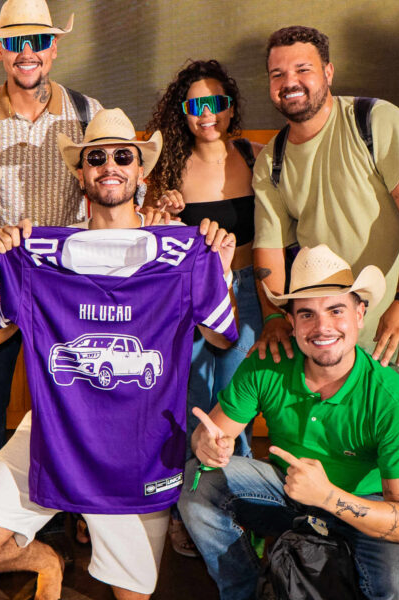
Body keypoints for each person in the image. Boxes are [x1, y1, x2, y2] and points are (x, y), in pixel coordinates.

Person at [0, 108, 238, 600]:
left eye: (123, 156)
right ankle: (47, 560)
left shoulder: (180, 250)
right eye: (96, 158)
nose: (110, 166)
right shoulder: (40, 253)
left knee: (133, 596)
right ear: (81, 174)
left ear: (140, 172)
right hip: (56, 432)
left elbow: (222, 340)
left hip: (139, 449)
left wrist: (218, 272)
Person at [251, 26, 399, 547]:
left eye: (303, 69)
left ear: (328, 72)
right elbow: (269, 250)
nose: (290, 82)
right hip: (330, 319)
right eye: (278, 74)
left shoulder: (375, 120)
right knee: (348, 439)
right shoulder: (272, 159)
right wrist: (274, 317)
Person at [180, 245, 399, 600]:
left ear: (360, 314)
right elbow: (209, 436)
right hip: (289, 490)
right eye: (307, 314)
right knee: (199, 483)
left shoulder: (390, 398)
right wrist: (206, 445)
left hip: (364, 507)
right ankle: (245, 593)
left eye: (336, 310)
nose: (322, 327)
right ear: (291, 322)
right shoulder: (267, 364)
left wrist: (329, 496)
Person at [0, 0, 104, 490]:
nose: (27, 52)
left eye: (39, 41)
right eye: (16, 42)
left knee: (71, 411)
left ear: (54, 49)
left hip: (68, 290)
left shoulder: (87, 113)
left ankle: (70, 507)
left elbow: (120, 192)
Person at [144, 59, 265, 557]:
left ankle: (242, 508)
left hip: (246, 294)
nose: (207, 113)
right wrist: (160, 211)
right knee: (192, 404)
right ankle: (187, 512)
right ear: (183, 113)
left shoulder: (256, 157)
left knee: (237, 402)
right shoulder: (168, 168)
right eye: (195, 105)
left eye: (216, 102)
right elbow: (147, 233)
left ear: (231, 108)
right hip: (188, 301)